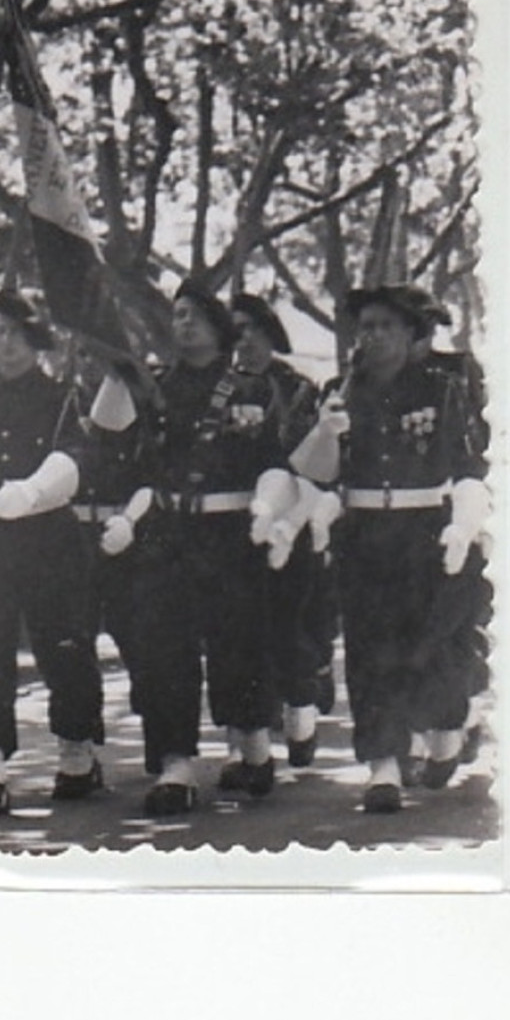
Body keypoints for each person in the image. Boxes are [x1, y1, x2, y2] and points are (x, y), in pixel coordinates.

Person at [89, 281, 289, 816]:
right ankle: (175, 765)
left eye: (197, 315)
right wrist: (114, 368)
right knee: (162, 651)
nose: (185, 324)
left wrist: (269, 514)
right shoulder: (154, 389)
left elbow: (274, 461)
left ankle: (252, 744)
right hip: (167, 532)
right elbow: (113, 443)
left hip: (229, 533)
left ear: (220, 326)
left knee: (238, 647)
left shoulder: (251, 389)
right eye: (177, 315)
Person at [289, 284, 488, 813]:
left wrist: (463, 525)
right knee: (370, 653)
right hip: (365, 536)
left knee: (436, 649)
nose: (373, 336)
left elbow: (469, 465)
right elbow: (313, 471)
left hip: (426, 532)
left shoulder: (442, 389)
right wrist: (328, 431)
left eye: (386, 326)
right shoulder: (340, 389)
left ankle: (446, 732)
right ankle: (383, 767)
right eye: (366, 326)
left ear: (411, 335)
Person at [0, 289, 104, 816]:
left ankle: (77, 749)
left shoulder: (60, 397)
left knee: (62, 644)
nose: (2, 341)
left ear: (34, 338)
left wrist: (29, 493)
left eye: (13, 331)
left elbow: (74, 461)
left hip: (47, 537)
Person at [230, 293, 333, 768]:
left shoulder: (297, 389)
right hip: (231, 524)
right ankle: (248, 741)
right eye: (234, 329)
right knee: (240, 631)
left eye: (251, 328)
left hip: (288, 522)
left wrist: (288, 523)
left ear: (271, 334)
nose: (243, 339)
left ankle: (301, 709)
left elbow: (303, 461)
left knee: (287, 623)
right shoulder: (222, 387)